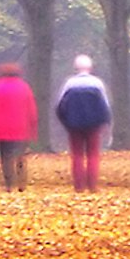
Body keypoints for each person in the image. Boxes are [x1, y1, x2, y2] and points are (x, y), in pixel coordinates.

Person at [0, 62, 38, 193]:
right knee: (20, 155)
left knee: (6, 156)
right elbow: (31, 109)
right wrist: (33, 125)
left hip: (1, 129)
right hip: (21, 127)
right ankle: (22, 182)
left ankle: (9, 183)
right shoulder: (24, 87)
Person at [54, 53, 113, 193]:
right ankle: (92, 186)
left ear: (76, 67)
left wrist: (65, 122)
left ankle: (79, 186)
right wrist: (105, 122)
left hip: (74, 125)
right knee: (93, 154)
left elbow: (60, 106)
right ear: (90, 67)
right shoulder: (97, 84)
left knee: (77, 155)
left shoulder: (69, 84)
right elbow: (105, 105)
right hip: (94, 124)